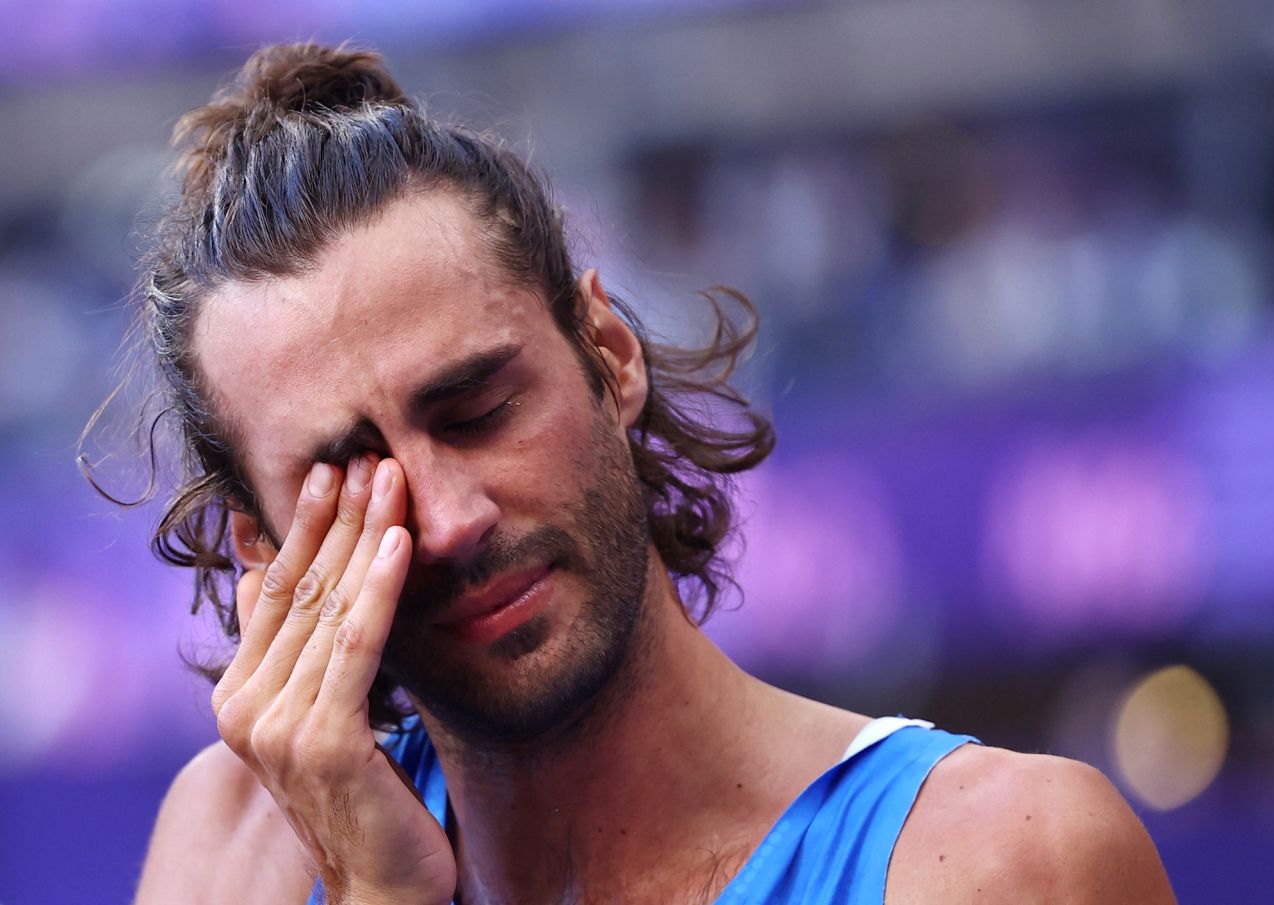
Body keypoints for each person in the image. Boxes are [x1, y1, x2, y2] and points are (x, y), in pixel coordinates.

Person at [99, 42, 1177, 905]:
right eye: (351, 475)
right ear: (263, 546)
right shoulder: (240, 850)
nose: (450, 518)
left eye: (477, 410)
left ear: (608, 355)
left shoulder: (999, 862)